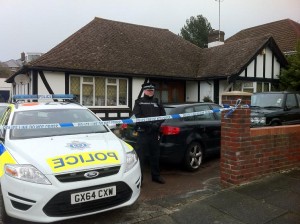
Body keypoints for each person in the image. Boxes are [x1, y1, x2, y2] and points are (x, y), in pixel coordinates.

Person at [132, 82, 166, 184]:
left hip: (154, 134)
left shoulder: (157, 101)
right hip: (143, 133)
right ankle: (140, 179)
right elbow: (137, 116)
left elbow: (163, 115)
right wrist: (151, 124)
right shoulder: (139, 102)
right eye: (148, 90)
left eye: (152, 90)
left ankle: (156, 176)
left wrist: (157, 124)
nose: (150, 92)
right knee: (141, 157)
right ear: (144, 91)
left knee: (155, 156)